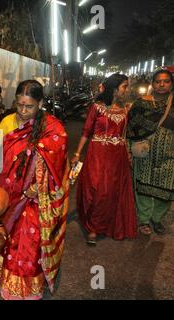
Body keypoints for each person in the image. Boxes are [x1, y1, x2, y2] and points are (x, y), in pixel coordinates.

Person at [0, 80, 70, 300]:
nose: (23, 111)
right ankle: (9, 277)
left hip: (36, 197)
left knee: (29, 241)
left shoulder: (52, 129)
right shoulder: (6, 122)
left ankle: (27, 287)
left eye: (29, 106)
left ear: (40, 103)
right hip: (10, 191)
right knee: (11, 236)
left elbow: (58, 161)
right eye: (19, 104)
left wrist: (37, 186)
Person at [72, 73, 137, 245]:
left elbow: (125, 134)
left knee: (113, 190)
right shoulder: (97, 107)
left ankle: (107, 224)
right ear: (115, 89)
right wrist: (77, 154)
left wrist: (128, 151)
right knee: (97, 188)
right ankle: (93, 227)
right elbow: (86, 131)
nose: (126, 89)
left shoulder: (126, 109)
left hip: (118, 155)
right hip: (98, 154)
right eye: (124, 86)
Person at [127, 69, 174, 235]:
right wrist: (128, 151)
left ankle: (157, 218)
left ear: (171, 83)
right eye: (158, 81)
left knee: (167, 189)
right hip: (144, 154)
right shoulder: (141, 104)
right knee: (143, 188)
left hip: (169, 156)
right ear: (152, 84)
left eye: (166, 81)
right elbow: (130, 128)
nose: (162, 84)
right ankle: (144, 220)